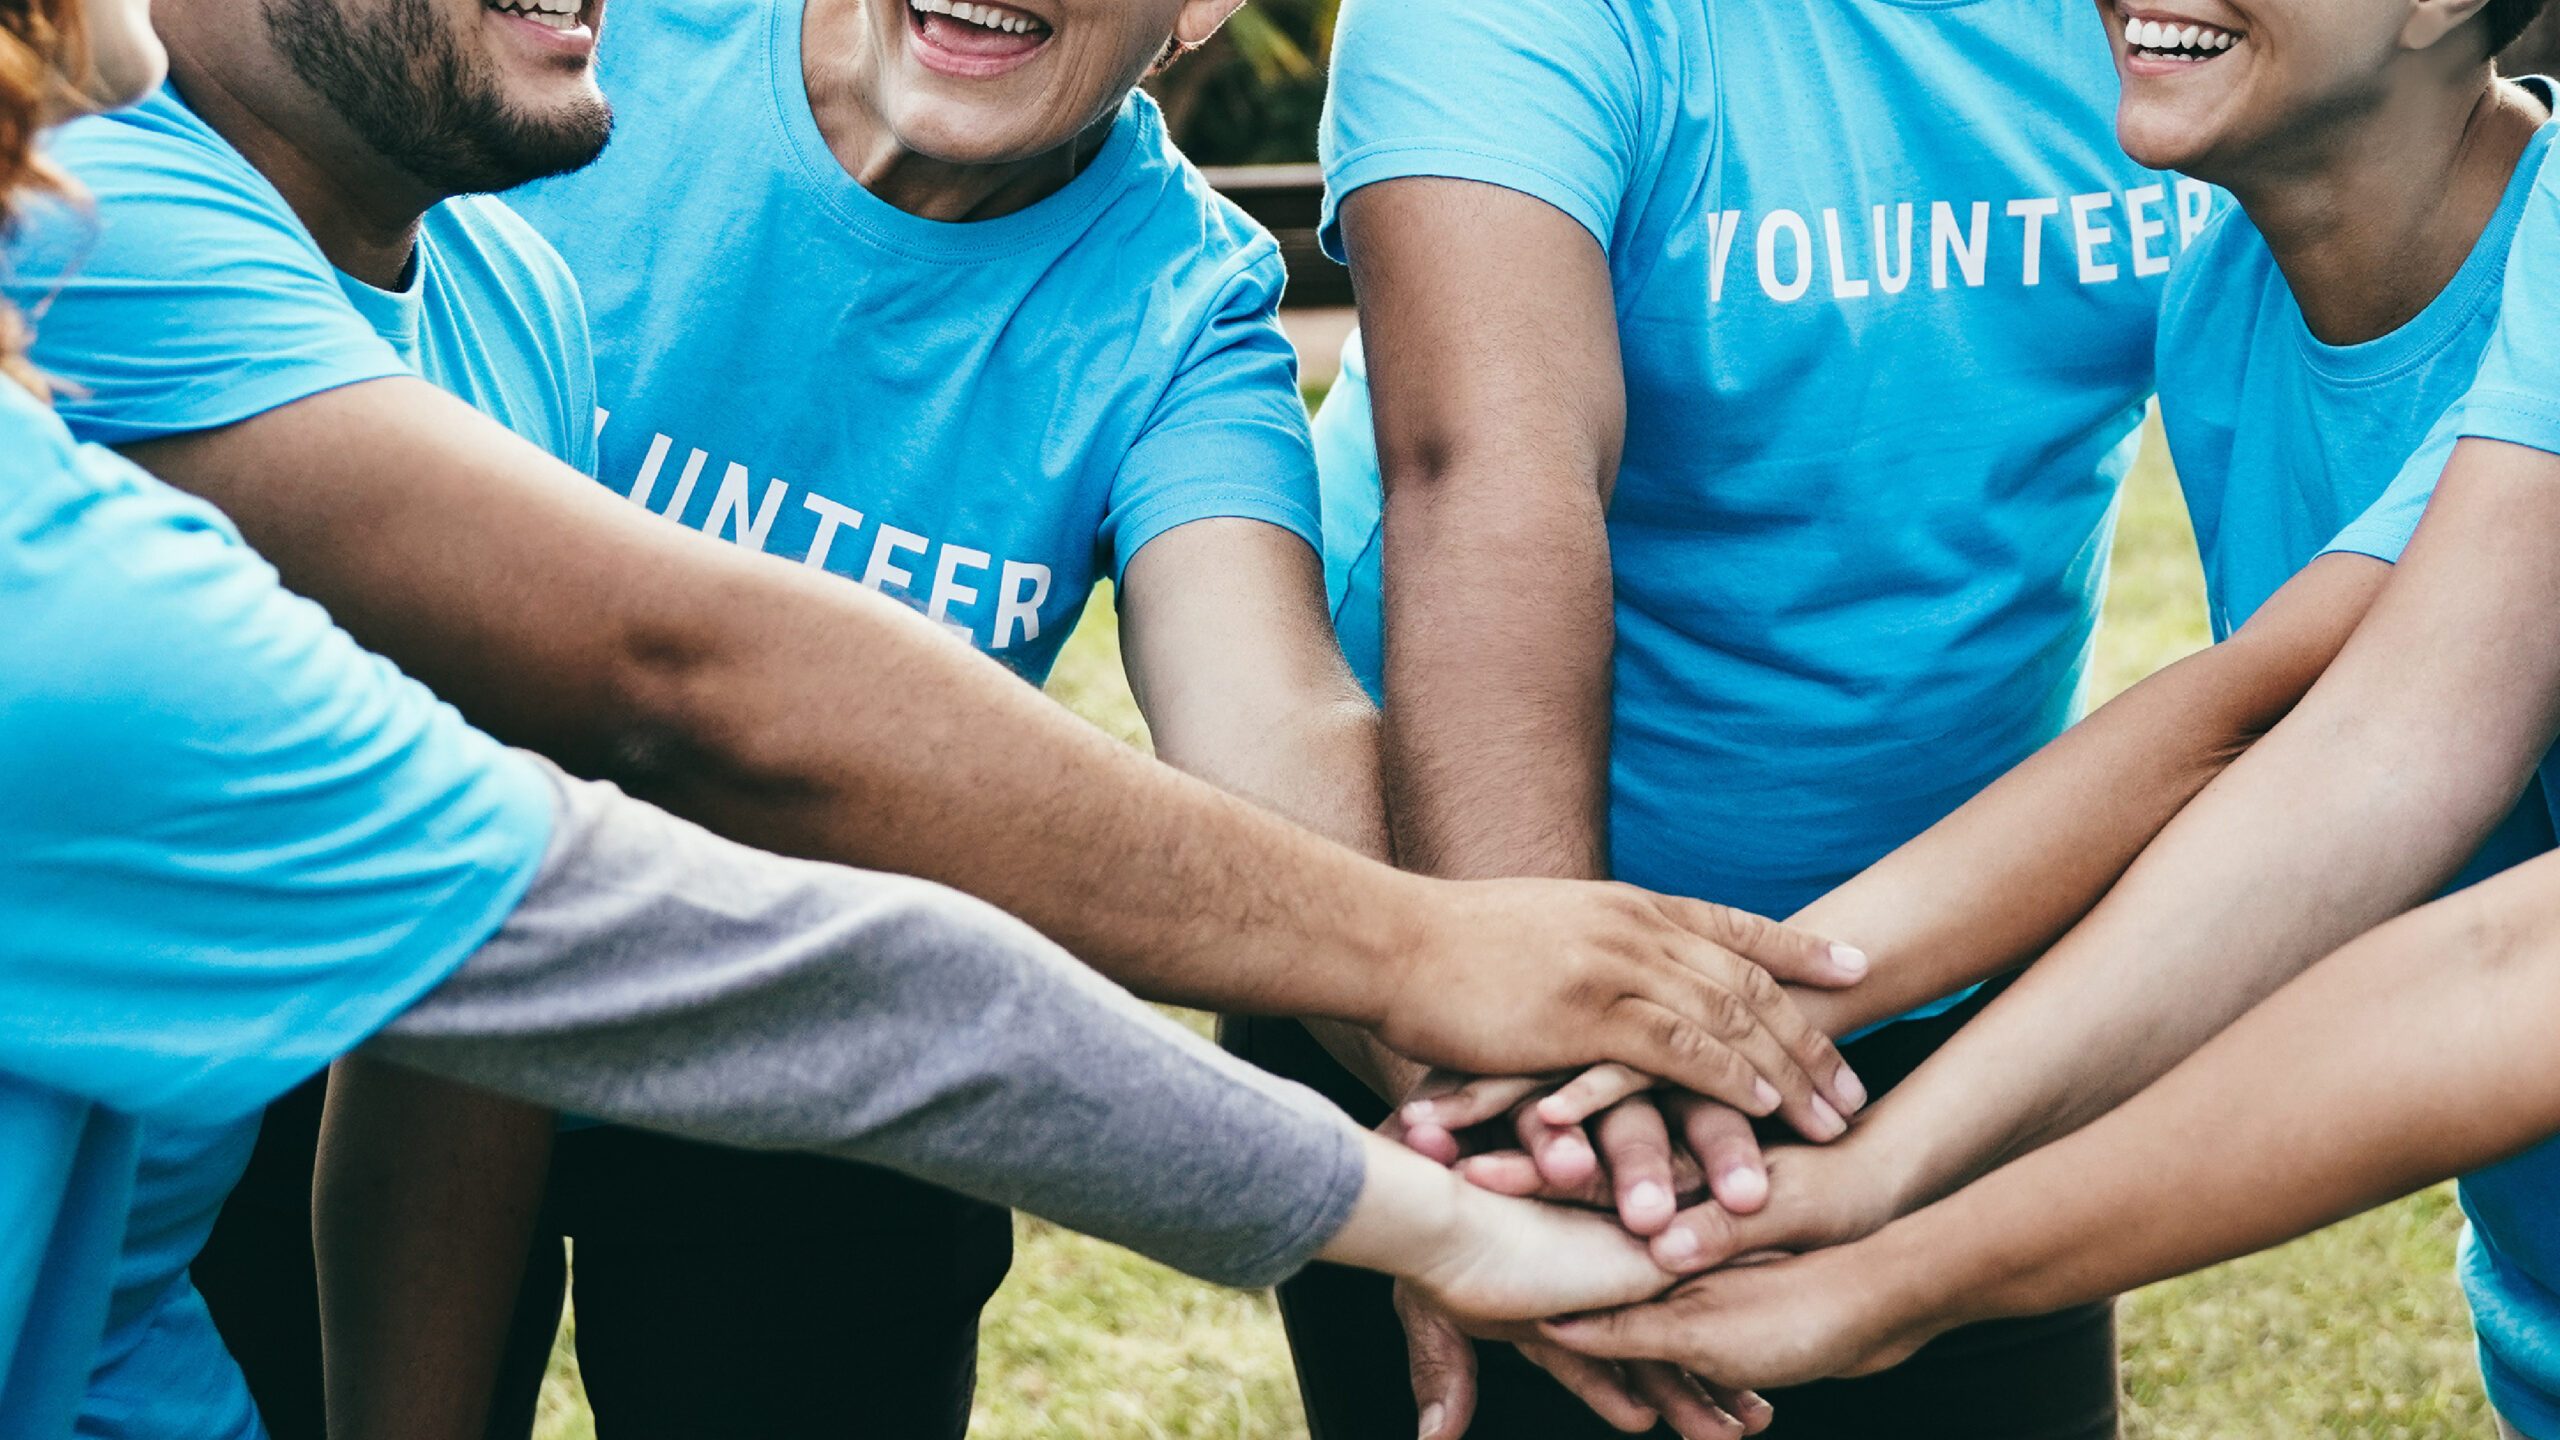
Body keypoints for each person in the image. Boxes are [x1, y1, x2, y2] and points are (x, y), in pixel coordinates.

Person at [1, 0, 1864, 1435]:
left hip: (742, 1044)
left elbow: (1267, 709)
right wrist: (1432, 959)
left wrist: (1468, 1071)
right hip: (330, 1028)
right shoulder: (351, 143)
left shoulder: (1150, 300)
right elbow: (673, 685)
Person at [1488, 3, 2560, 1437]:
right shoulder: (2226, 293)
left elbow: (2481, 933)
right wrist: (1751, 1059)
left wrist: (1901, 1255)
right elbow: (2326, 753)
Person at [1238, 0, 2201, 1434]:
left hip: (1954, 969)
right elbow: (1491, 473)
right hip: (1460, 945)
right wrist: (1531, 1076)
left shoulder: (2178, 26)